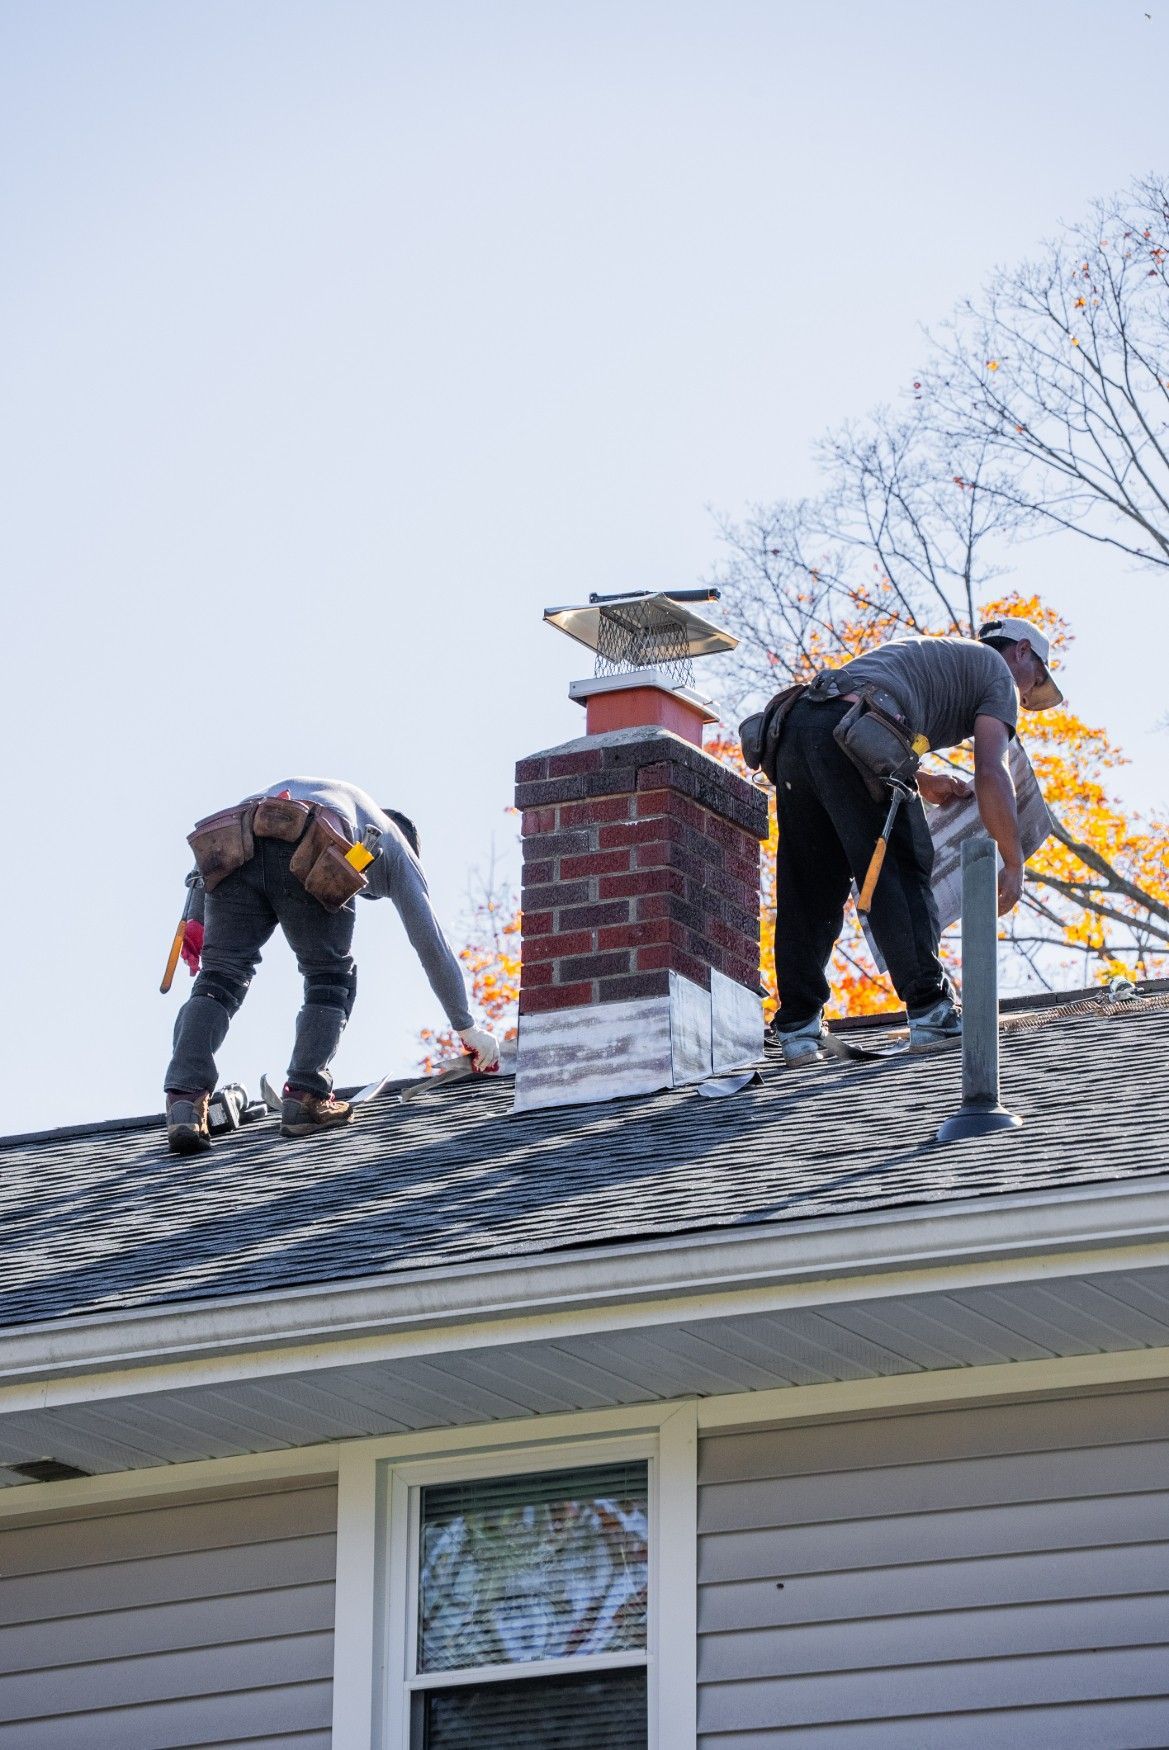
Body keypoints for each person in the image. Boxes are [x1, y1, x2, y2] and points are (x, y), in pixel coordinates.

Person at [771, 617, 1063, 1066]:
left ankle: (797, 1026)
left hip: (796, 731)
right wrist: (1013, 859)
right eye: (1036, 679)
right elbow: (991, 771)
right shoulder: (997, 673)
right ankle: (930, 1008)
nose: (1025, 695)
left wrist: (923, 779)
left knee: (810, 883)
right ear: (1022, 651)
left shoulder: (937, 658)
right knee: (903, 863)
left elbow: (845, 720)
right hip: (855, 733)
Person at [164, 777, 499, 1151]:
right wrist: (467, 1027)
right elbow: (431, 943)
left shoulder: (328, 795)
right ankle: (306, 1096)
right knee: (330, 977)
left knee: (219, 978)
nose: (364, 892)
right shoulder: (395, 845)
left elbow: (210, 861)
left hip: (237, 836)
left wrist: (195, 919)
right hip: (312, 840)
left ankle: (185, 1104)